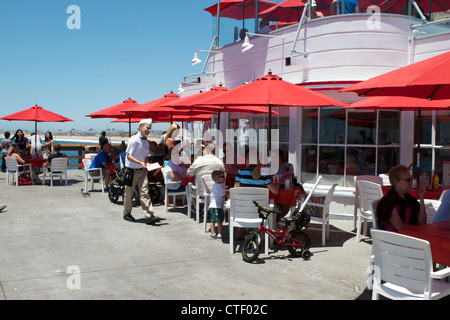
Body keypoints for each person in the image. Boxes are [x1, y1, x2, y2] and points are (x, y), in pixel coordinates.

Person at [233, 148, 278, 238]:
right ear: (258, 161)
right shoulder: (263, 174)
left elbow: (235, 190)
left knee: (244, 201)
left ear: (247, 160)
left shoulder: (241, 172)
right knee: (266, 206)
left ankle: (239, 232)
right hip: (259, 210)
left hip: (243, 209)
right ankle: (262, 235)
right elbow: (275, 191)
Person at [123, 118, 159, 225]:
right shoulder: (133, 140)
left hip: (142, 170)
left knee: (145, 192)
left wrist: (147, 163)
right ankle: (127, 213)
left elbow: (146, 156)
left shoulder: (146, 142)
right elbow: (129, 156)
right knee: (129, 193)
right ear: (141, 127)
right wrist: (140, 163)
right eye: (147, 128)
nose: (149, 131)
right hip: (132, 170)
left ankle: (149, 215)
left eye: (150, 129)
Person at [376, 164, 426, 231]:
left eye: (411, 179)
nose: (411, 182)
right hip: (393, 238)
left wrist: (421, 198)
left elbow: (422, 222)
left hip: (410, 235)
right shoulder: (388, 200)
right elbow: (400, 227)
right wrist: (417, 229)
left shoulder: (410, 199)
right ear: (396, 182)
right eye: (408, 180)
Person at [208, 170, 227, 240]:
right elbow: (223, 195)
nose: (224, 178)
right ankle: (219, 234)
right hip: (217, 206)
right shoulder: (219, 186)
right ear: (217, 179)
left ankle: (213, 234)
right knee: (219, 221)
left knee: (212, 221)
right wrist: (228, 192)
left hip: (212, 206)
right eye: (222, 177)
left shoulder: (214, 186)